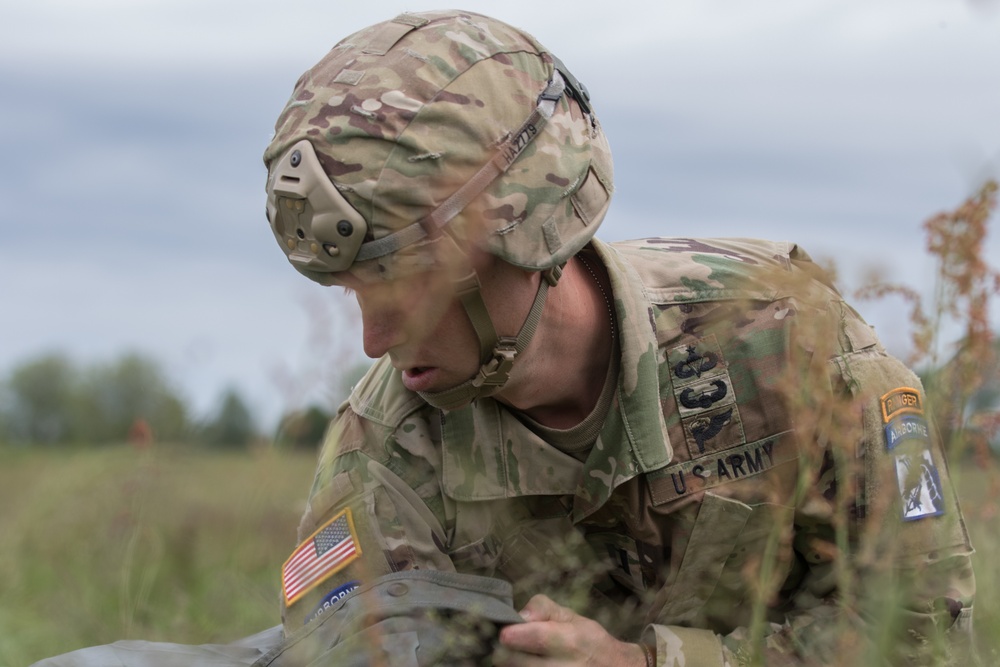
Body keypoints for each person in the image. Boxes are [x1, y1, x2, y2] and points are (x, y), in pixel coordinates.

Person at [35, 9, 976, 667]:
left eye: (404, 286)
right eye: (353, 293)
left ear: (529, 234)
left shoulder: (788, 347)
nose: (371, 341)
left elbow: (926, 637)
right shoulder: (388, 449)